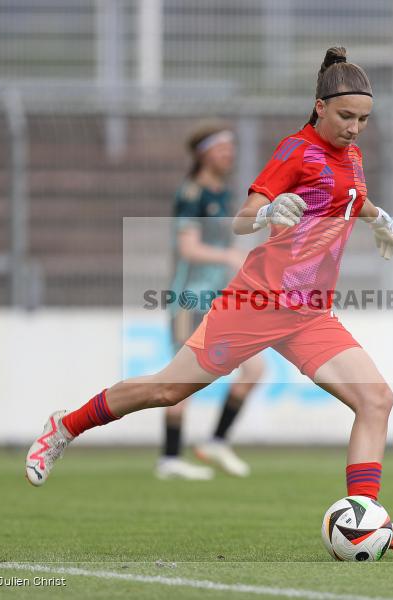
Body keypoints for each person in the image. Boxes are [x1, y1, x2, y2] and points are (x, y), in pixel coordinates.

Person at [26, 47, 393, 552]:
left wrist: (380, 220)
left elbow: (349, 195)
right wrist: (269, 210)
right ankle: (64, 427)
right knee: (167, 390)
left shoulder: (351, 154)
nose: (355, 127)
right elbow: (241, 219)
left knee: (376, 399)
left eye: (364, 119)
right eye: (346, 116)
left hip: (308, 313)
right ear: (319, 107)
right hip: (257, 303)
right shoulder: (294, 150)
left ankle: (365, 521)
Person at [157, 121, 264, 480]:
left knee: (255, 369)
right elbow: (188, 248)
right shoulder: (192, 194)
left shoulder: (223, 193)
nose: (229, 153)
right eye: (222, 148)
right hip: (189, 300)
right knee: (181, 381)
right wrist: (228, 258)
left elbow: (226, 245)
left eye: (231, 147)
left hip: (219, 300)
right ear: (205, 153)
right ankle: (170, 458)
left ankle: (216, 440)